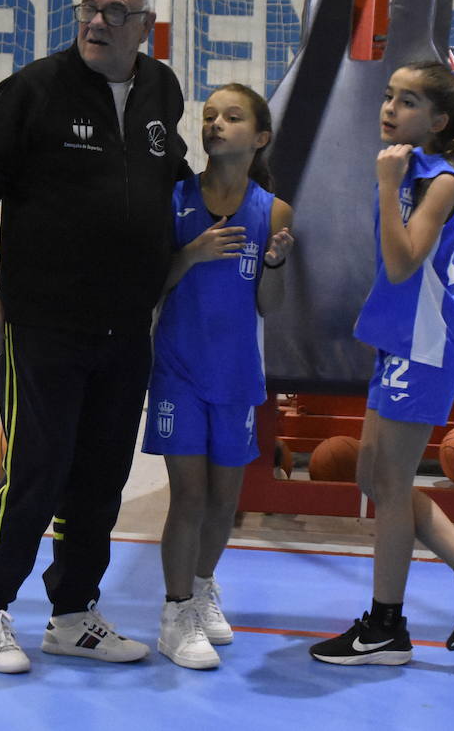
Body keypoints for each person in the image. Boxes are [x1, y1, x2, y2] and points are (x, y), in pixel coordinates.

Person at [0, 0, 190, 674]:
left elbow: (176, 179)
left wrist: (259, 218)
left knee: (100, 478)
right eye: (89, 8)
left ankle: (73, 613)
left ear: (144, 25)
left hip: (127, 325)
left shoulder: (161, 90)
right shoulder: (32, 90)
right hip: (43, 321)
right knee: (36, 469)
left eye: (115, 12)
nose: (97, 21)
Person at [309, 60, 454, 666]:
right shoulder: (408, 169)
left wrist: (384, 185)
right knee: (374, 479)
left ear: (437, 119)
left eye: (406, 101)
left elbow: (404, 263)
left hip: (424, 346)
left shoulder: (441, 180)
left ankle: (385, 627)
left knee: (392, 483)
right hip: (399, 339)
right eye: (387, 96)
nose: (389, 108)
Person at [142, 83, 294, 670]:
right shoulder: (174, 197)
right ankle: (175, 612)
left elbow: (270, 305)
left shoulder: (273, 210)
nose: (215, 124)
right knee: (190, 496)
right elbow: (148, 285)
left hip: (237, 375)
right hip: (178, 369)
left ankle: (202, 587)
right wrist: (190, 254)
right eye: (209, 116)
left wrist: (276, 262)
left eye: (232, 117)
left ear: (259, 138)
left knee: (225, 501)